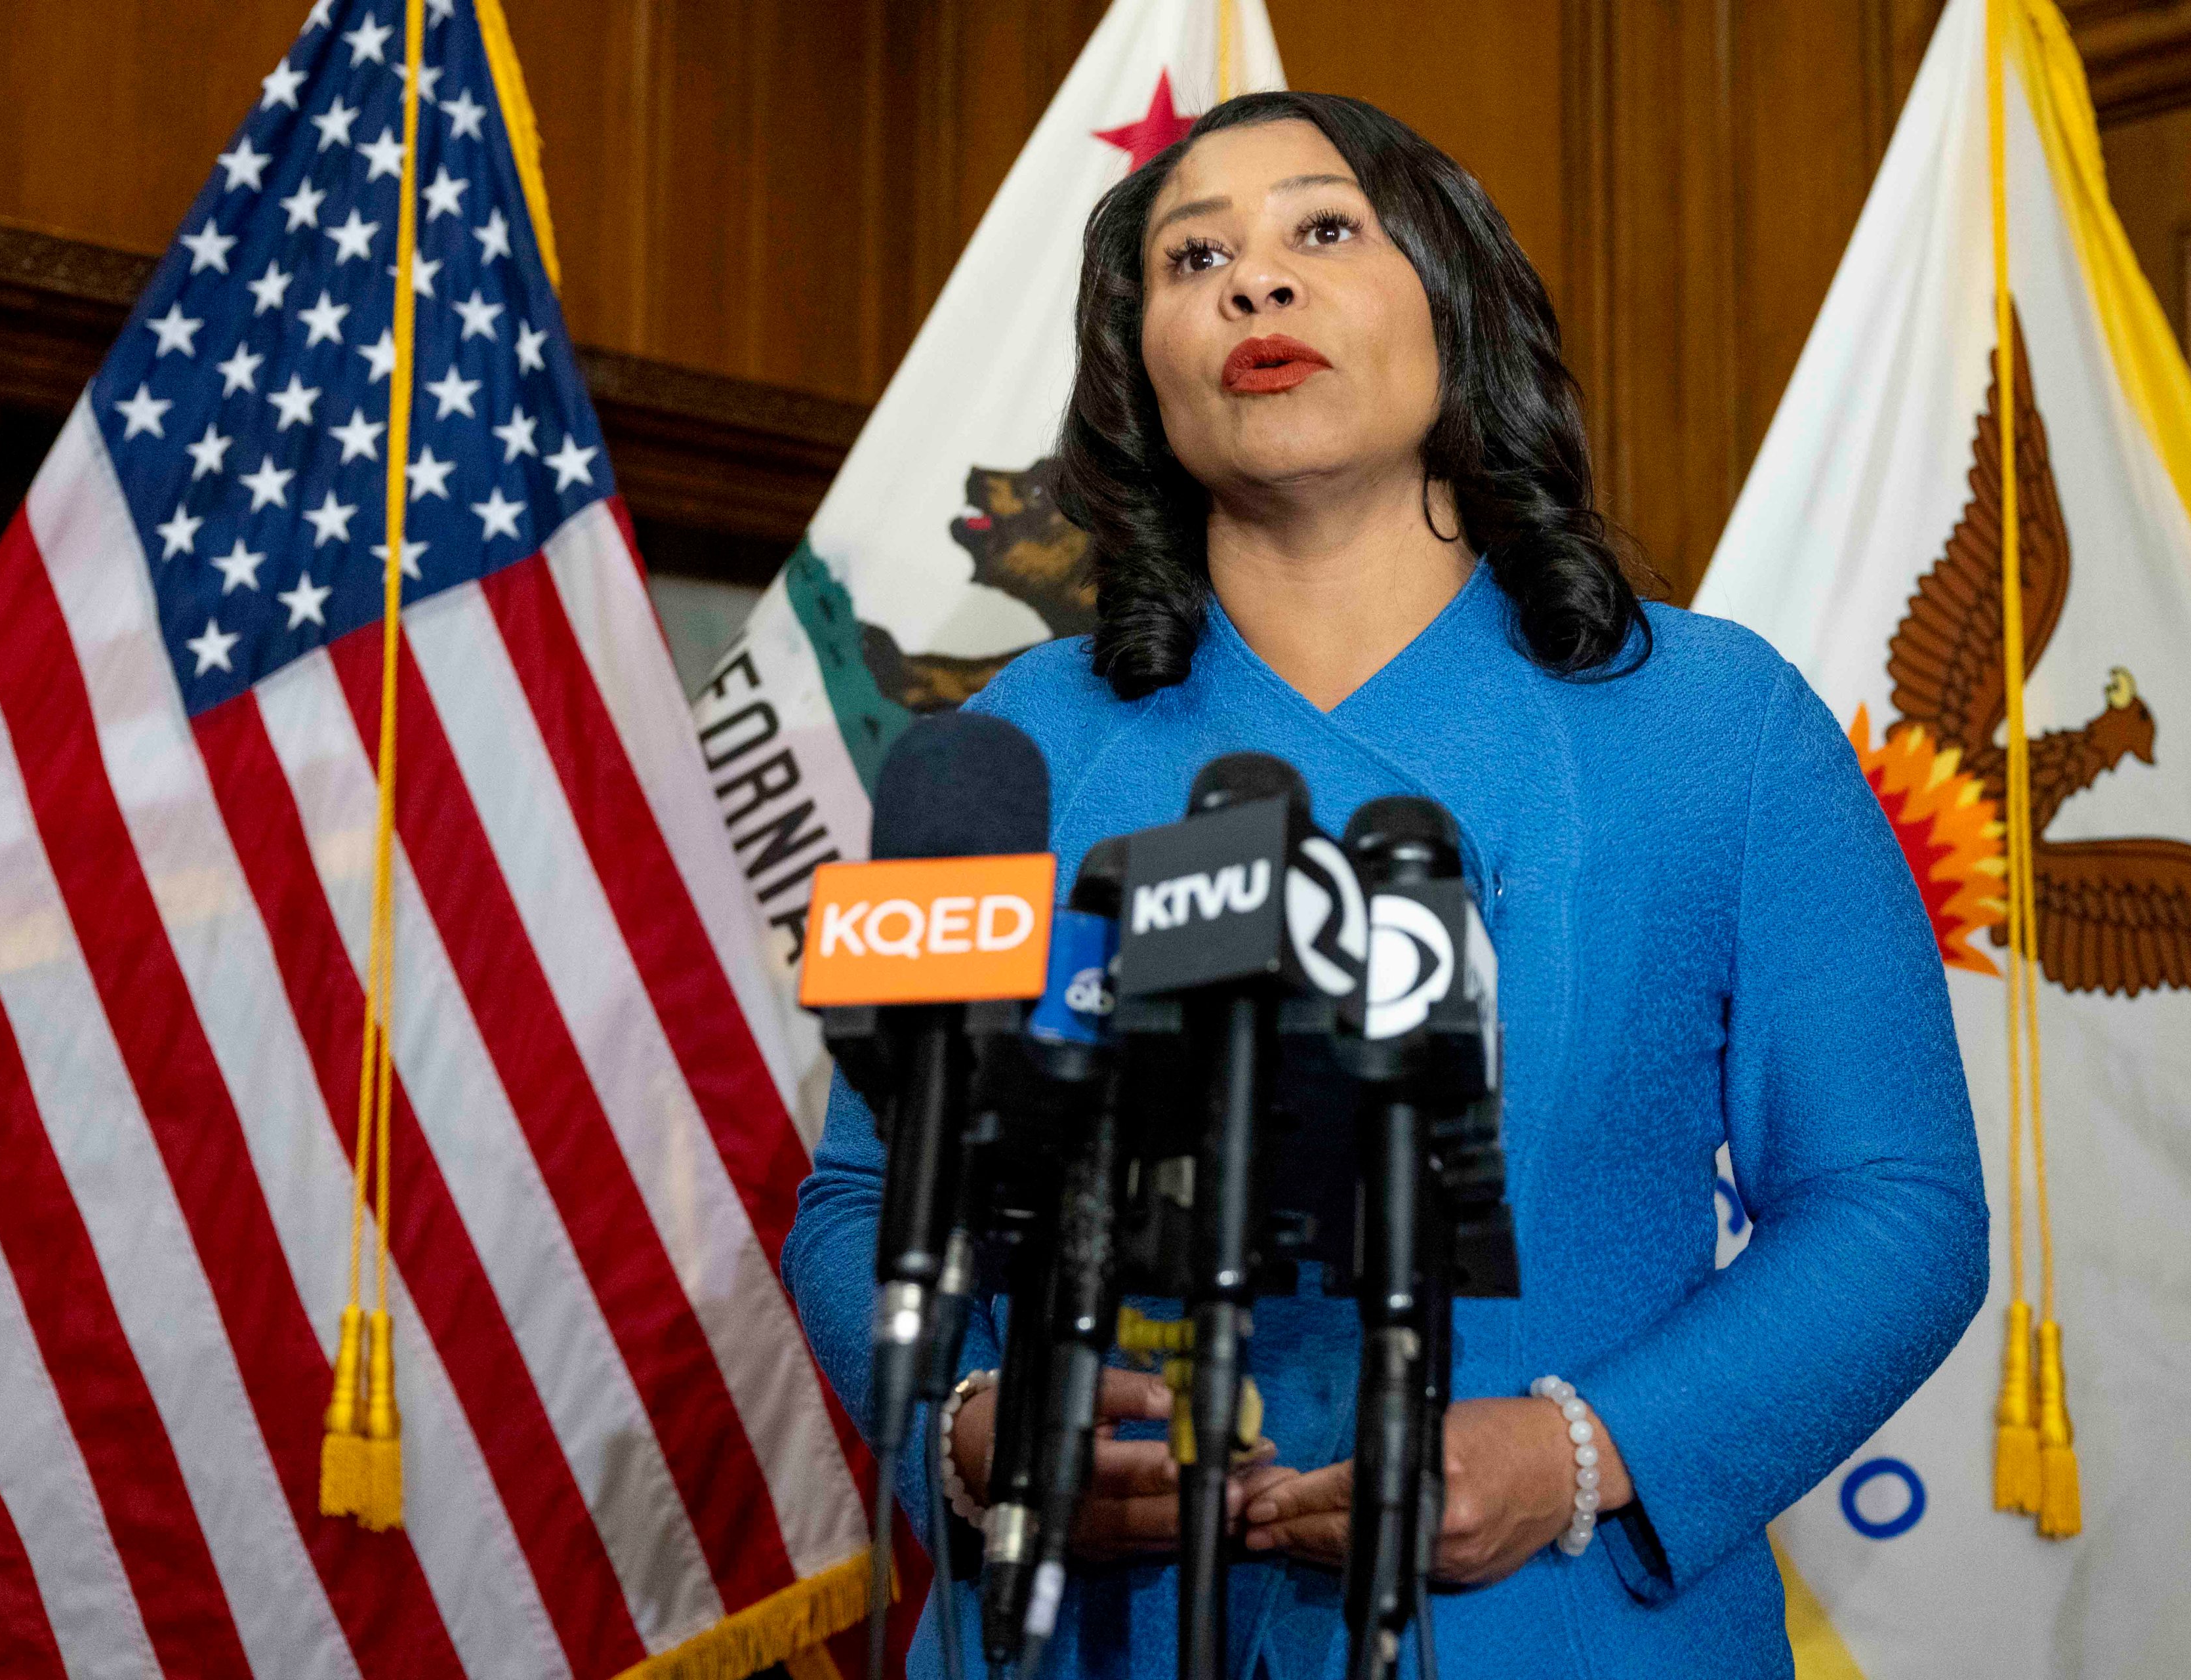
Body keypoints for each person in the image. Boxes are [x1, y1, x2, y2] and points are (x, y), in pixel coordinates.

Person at [783, 90, 1988, 1679]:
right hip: (1088, 1635)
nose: (1252, 285)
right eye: (1190, 256)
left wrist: (1579, 1456)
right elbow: (870, 1198)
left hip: (1557, 1626)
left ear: (1455, 298)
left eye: (1322, 230)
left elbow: (1896, 1208)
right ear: (1139, 367)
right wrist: (971, 1428)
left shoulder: (1713, 725)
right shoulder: (1013, 749)